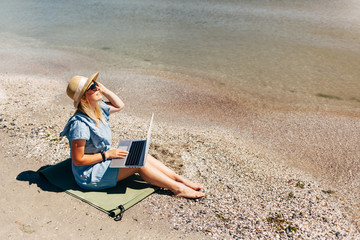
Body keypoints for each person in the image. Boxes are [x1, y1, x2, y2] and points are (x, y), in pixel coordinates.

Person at [60, 72, 204, 199]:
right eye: (92, 88)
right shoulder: (80, 125)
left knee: (140, 153)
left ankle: (179, 179)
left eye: (96, 84)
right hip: (90, 175)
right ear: (84, 99)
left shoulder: (98, 109)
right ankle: (177, 188)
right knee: (137, 164)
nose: (97, 88)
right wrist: (108, 155)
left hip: (102, 161)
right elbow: (78, 160)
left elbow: (119, 105)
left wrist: (104, 90)